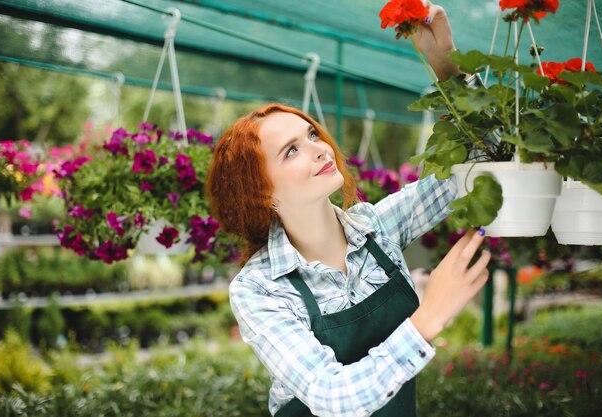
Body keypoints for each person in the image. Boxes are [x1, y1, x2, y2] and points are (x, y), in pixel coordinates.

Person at [206, 2, 490, 416]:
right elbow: (331, 395)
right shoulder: (259, 290)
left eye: (311, 135)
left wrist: (445, 62)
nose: (320, 149)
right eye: (291, 151)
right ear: (260, 193)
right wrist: (427, 318)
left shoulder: (377, 227)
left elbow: (482, 158)